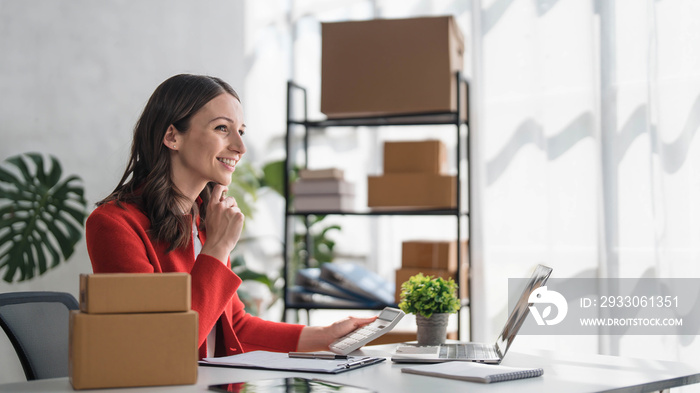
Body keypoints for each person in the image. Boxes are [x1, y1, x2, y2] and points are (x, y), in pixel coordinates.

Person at [85, 74, 375, 359]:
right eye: (222, 128)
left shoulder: (205, 216)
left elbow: (234, 327)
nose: (240, 146)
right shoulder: (114, 225)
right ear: (173, 136)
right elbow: (166, 345)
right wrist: (217, 248)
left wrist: (326, 336)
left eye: (241, 131)